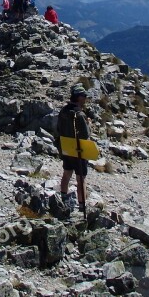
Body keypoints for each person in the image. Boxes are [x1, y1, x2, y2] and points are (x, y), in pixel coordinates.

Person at [57, 84, 91, 215]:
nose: (85, 99)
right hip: (79, 151)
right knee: (80, 179)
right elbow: (86, 135)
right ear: (78, 97)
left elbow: (58, 129)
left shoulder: (63, 111)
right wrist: (89, 124)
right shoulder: (80, 115)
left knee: (66, 174)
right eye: (84, 96)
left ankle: (63, 200)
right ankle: (82, 207)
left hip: (67, 148)